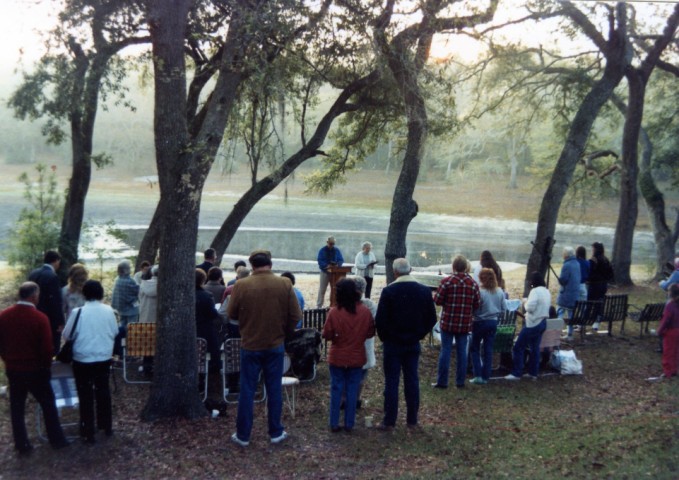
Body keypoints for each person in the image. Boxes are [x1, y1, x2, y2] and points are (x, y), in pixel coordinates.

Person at [227, 250, 301, 446]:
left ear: (252, 266)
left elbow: (231, 313)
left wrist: (247, 323)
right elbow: (296, 315)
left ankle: (243, 435)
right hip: (275, 344)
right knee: (274, 388)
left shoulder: (241, 284)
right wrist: (284, 332)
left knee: (247, 390)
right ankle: (275, 431)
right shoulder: (284, 283)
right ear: (270, 264)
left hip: (250, 344)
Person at [0, 282, 71, 454]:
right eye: (38, 296)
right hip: (36, 370)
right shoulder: (40, 318)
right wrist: (45, 367)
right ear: (33, 297)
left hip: (14, 369)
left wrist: (7, 360)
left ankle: (22, 444)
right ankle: (57, 440)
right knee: (48, 404)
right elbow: (47, 348)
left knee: (17, 407)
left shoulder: (4, 315)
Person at [375, 258, 437, 429]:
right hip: (413, 341)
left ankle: (389, 420)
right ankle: (412, 419)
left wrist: (386, 337)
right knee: (412, 380)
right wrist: (419, 334)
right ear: (410, 270)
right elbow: (431, 318)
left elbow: (380, 320)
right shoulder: (424, 290)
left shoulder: (389, 291)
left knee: (391, 381)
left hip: (393, 342)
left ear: (395, 272)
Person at [62, 280, 118, 444]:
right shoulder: (109, 311)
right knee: (103, 391)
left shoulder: (78, 312)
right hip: (103, 356)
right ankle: (106, 425)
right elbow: (114, 331)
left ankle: (88, 432)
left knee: (85, 395)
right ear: (101, 293)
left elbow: (67, 335)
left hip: (83, 358)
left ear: (84, 294)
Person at [322, 279, 375, 432]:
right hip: (356, 356)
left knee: (336, 389)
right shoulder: (365, 311)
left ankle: (334, 422)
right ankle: (349, 423)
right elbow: (370, 332)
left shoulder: (334, 312)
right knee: (352, 390)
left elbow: (327, 334)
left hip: (338, 355)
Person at [433, 255, 481, 389]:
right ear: (466, 267)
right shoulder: (473, 284)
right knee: (462, 352)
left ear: (453, 267)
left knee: (445, 351)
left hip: (448, 322)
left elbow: (437, 301)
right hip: (464, 324)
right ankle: (460, 382)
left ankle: (442, 382)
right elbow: (477, 304)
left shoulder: (446, 282)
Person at [505, 272, 551, 381]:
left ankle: (516, 373)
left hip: (533, 323)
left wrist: (525, 302)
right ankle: (533, 373)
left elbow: (529, 308)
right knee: (535, 348)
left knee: (518, 347)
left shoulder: (534, 291)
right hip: (543, 322)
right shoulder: (547, 291)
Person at [469, 268, 507, 385]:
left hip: (480, 322)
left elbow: (475, 309)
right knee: (488, 350)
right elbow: (504, 308)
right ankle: (486, 376)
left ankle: (478, 375)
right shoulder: (499, 291)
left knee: (475, 348)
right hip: (493, 322)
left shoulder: (481, 292)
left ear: (481, 278)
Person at [28, 250, 65, 354]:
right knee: (51, 345)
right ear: (56, 261)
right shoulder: (52, 277)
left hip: (33, 313)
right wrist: (60, 321)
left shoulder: (33, 273)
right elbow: (56, 301)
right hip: (49, 318)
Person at [352, 276, 377, 409]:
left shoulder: (344, 304)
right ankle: (356, 398)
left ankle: (345, 398)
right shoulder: (370, 305)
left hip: (350, 344)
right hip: (365, 343)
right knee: (361, 374)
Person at [195, 269, 222, 375]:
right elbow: (213, 314)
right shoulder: (206, 295)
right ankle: (214, 367)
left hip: (192, 328)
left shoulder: (184, 294)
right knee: (214, 348)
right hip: (205, 328)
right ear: (203, 280)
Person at [656, 284, 679, 380]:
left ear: (671, 293)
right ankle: (674, 370)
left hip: (671, 331)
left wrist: (660, 331)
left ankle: (668, 372)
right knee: (676, 351)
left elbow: (666, 320)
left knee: (668, 351)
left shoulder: (670, 305)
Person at [558, 247, 581, 341]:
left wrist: (560, 280)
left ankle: (556, 332)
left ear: (566, 255)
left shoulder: (566, 265)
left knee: (560, 311)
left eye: (563, 253)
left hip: (566, 294)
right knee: (571, 314)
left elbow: (563, 280)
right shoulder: (577, 264)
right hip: (575, 294)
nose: (562, 255)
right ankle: (570, 334)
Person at [316, 236, 344, 308]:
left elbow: (341, 260)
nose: (332, 245)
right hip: (325, 272)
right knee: (322, 289)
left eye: (333, 244)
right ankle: (319, 305)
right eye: (330, 243)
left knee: (334, 289)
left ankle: (333, 304)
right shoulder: (322, 250)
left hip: (335, 273)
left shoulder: (337, 250)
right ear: (327, 242)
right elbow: (320, 260)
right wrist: (327, 265)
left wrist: (338, 264)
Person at [111, 260, 140, 329]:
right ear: (125, 270)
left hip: (121, 309)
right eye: (129, 268)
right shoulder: (130, 280)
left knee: (122, 327)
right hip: (131, 310)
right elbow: (138, 291)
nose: (130, 269)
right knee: (132, 330)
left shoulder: (117, 280)